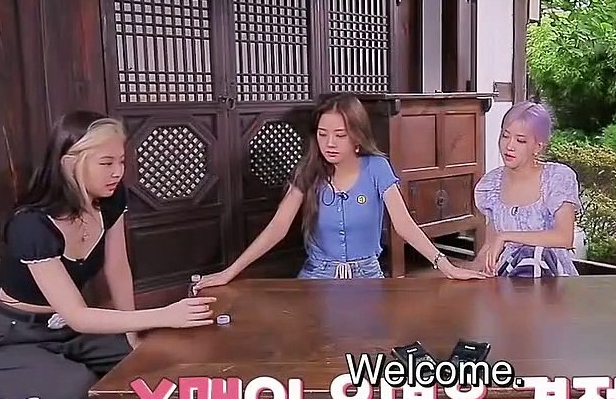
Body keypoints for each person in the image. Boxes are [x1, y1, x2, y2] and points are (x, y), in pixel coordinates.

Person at [0, 111, 217, 399]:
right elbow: (78, 315)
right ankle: (10, 386)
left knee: (154, 362)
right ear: (70, 163)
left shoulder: (111, 200)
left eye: (121, 161)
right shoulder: (31, 225)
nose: (118, 172)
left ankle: (50, 373)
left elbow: (117, 268)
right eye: (106, 163)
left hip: (68, 330)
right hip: (11, 336)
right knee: (78, 393)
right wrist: (165, 315)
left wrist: (132, 334)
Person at [195, 93, 486, 287]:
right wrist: (229, 273)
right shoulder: (309, 171)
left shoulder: (377, 168)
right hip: (317, 278)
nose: (329, 143)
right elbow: (277, 228)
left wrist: (445, 265)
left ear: (357, 137)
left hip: (367, 277)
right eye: (323, 135)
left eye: (339, 135)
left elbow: (404, 225)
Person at [473, 101, 582, 277]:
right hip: (507, 277)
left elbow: (564, 237)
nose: (509, 146)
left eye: (521, 140)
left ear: (538, 146)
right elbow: (489, 246)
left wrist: (506, 236)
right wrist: (466, 272)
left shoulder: (556, 177)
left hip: (551, 279)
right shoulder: (491, 184)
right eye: (505, 136)